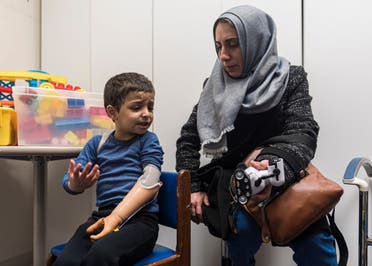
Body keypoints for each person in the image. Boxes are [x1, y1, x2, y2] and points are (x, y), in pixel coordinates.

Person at [175, 5, 338, 266]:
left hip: (285, 177)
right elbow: (188, 139)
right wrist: (192, 187)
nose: (224, 56)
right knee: (241, 240)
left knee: (318, 250)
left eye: (233, 44)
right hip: (237, 185)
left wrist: (271, 167)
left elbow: (303, 132)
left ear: (257, 40)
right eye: (218, 46)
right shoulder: (214, 86)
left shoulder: (290, 78)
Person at [53, 72, 164, 266]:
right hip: (101, 217)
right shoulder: (97, 144)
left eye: (150, 107)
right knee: (66, 261)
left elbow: (151, 180)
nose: (147, 113)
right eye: (137, 107)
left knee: (100, 256)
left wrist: (116, 217)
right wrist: (75, 183)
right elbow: (68, 181)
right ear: (112, 113)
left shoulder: (148, 141)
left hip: (140, 222)